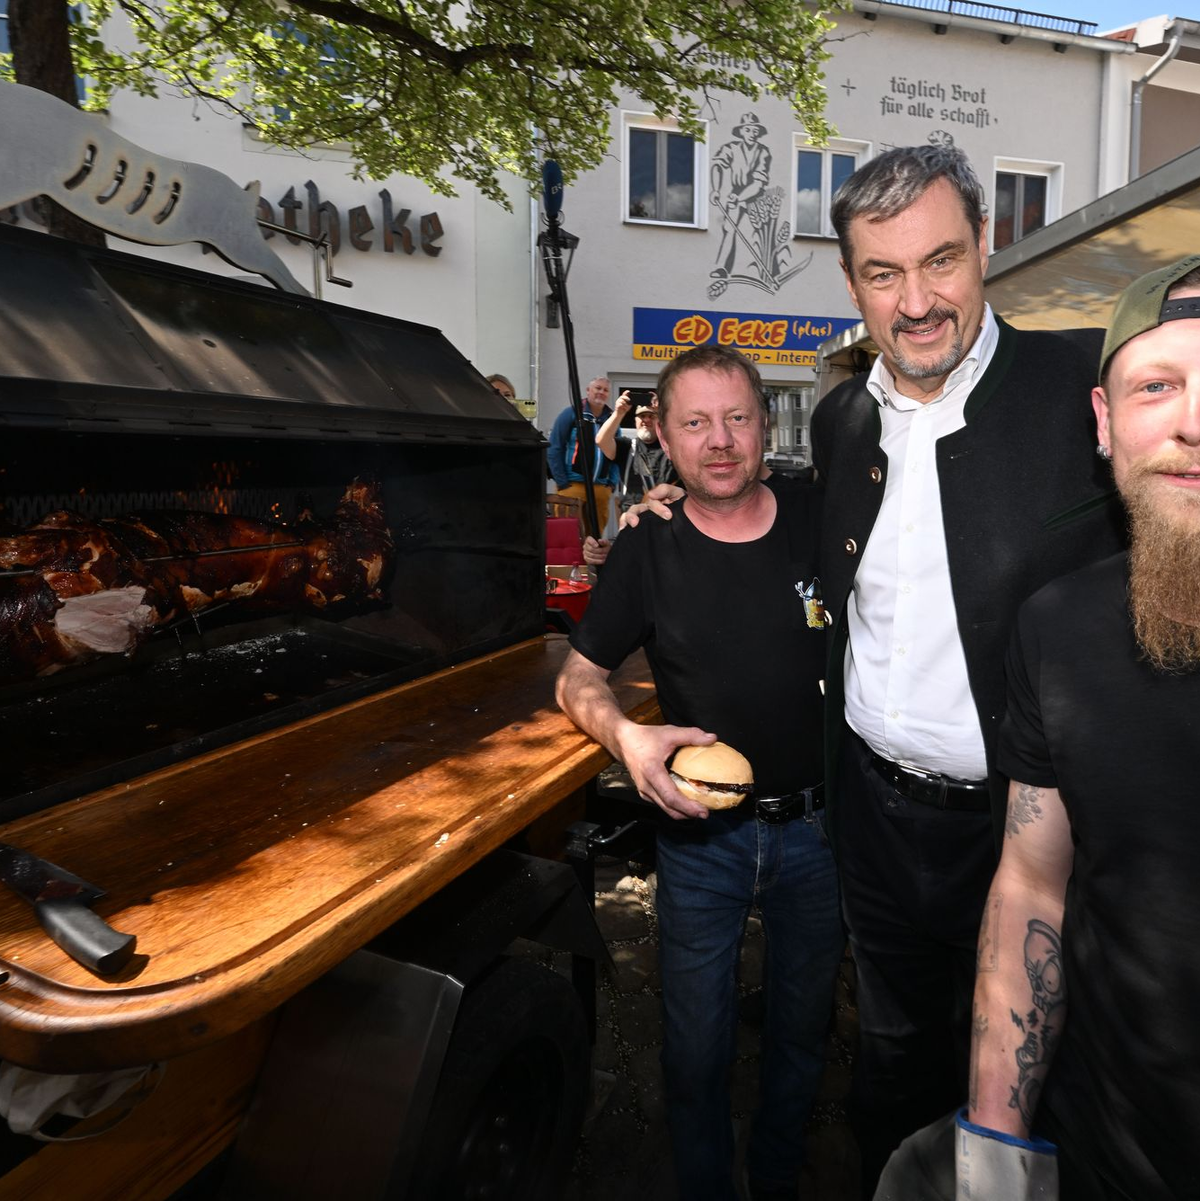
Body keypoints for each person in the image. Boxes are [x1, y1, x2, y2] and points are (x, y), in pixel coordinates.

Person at [810, 145, 1126, 1194]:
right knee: (894, 1064)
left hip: (1039, 835)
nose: (917, 302)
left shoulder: (1086, 386)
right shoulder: (839, 416)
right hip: (877, 821)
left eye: (940, 260)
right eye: (883, 274)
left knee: (1045, 1083)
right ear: (852, 283)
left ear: (986, 245)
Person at [876, 254, 1200, 1201]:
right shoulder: (1055, 629)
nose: (1192, 422)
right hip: (1106, 1151)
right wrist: (996, 1142)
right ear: (1105, 425)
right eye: (1157, 385)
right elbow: (1032, 882)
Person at [555, 346, 841, 1201]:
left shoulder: (821, 515)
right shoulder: (650, 542)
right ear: (664, 439)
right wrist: (627, 742)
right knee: (695, 1042)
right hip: (698, 838)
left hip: (822, 834)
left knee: (803, 1031)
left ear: (763, 424)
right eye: (695, 423)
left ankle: (782, 1174)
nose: (719, 442)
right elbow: (576, 677)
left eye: (737, 418)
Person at [547, 376, 620, 535]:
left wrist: (611, 483)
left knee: (595, 536)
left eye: (605, 390)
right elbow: (554, 447)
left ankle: (592, 562)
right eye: (597, 388)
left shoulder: (611, 419)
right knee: (567, 534)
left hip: (601, 488)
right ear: (588, 391)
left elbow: (618, 454)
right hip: (573, 486)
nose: (601, 392)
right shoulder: (571, 414)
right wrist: (562, 481)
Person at [710, 113, 772, 281]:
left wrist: (739, 197)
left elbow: (759, 184)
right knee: (729, 228)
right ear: (742, 132)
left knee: (760, 233)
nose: (752, 133)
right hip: (736, 196)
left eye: (755, 130)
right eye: (748, 129)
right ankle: (722, 267)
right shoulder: (731, 148)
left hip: (756, 197)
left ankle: (767, 271)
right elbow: (717, 166)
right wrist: (716, 189)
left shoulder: (763, 152)